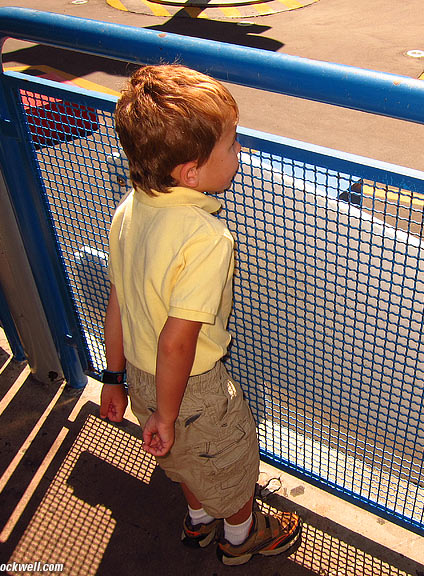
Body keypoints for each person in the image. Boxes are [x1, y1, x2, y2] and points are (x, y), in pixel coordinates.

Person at [99, 64, 301, 566]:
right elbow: (178, 342)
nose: (240, 154)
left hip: (143, 379)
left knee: (182, 459)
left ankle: (198, 523)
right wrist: (169, 413)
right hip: (191, 385)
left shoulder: (129, 211)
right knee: (229, 458)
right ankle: (241, 537)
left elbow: (118, 304)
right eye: (232, 146)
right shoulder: (205, 239)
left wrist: (113, 377)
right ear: (190, 172)